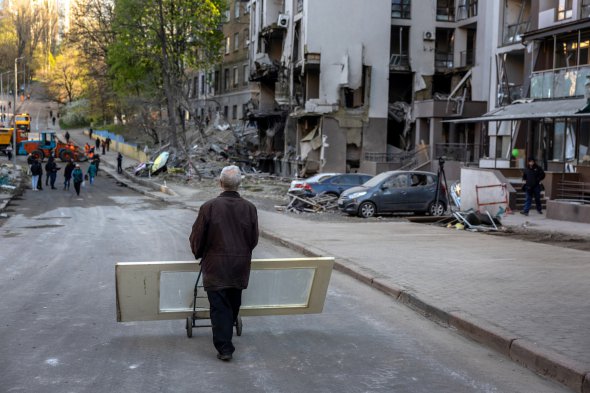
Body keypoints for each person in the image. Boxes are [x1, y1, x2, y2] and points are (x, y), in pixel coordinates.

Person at [189, 165, 259, 362]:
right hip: (239, 266)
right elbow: (253, 239)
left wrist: (199, 253)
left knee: (219, 307)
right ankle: (226, 339)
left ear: (220, 183)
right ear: (240, 184)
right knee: (233, 302)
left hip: (215, 267)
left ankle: (225, 348)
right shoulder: (250, 208)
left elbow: (197, 238)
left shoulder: (208, 207)